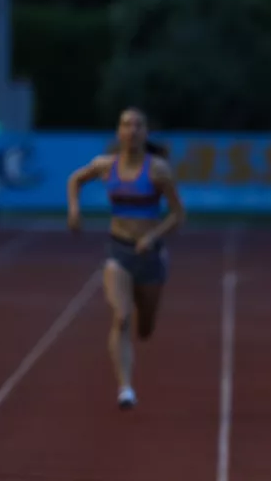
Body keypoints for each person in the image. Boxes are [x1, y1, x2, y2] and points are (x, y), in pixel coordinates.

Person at [66, 107, 185, 410]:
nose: (131, 130)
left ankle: (143, 323)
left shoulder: (158, 170)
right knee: (121, 316)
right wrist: (74, 210)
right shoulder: (106, 166)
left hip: (150, 256)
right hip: (118, 251)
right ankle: (125, 388)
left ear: (145, 133)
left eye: (137, 125)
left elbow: (178, 214)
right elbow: (75, 180)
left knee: (144, 328)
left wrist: (153, 236)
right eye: (125, 124)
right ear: (119, 132)